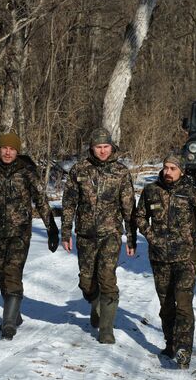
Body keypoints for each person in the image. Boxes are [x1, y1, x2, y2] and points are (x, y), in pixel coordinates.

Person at [136, 153, 196, 369]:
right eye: (165, 167)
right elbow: (140, 217)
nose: (167, 172)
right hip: (159, 258)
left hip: (186, 258)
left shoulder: (192, 192)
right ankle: (171, 344)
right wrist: (151, 237)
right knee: (166, 306)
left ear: (182, 171)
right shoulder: (151, 191)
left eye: (172, 168)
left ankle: (183, 350)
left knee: (184, 304)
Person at [0, 132, 59, 340]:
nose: (8, 152)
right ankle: (14, 313)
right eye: (4, 148)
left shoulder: (27, 172)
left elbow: (41, 200)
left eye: (12, 149)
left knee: (12, 272)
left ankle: (8, 323)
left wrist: (51, 228)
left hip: (20, 232)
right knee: (2, 275)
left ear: (17, 151)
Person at [61, 127, 137, 344]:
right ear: (91, 148)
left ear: (112, 147)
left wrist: (131, 237)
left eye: (106, 146)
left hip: (110, 234)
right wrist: (66, 232)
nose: (102, 151)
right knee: (87, 282)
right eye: (98, 147)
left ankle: (106, 329)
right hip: (85, 234)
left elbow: (129, 208)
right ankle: (95, 304)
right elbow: (68, 204)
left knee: (107, 279)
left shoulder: (121, 172)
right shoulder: (79, 170)